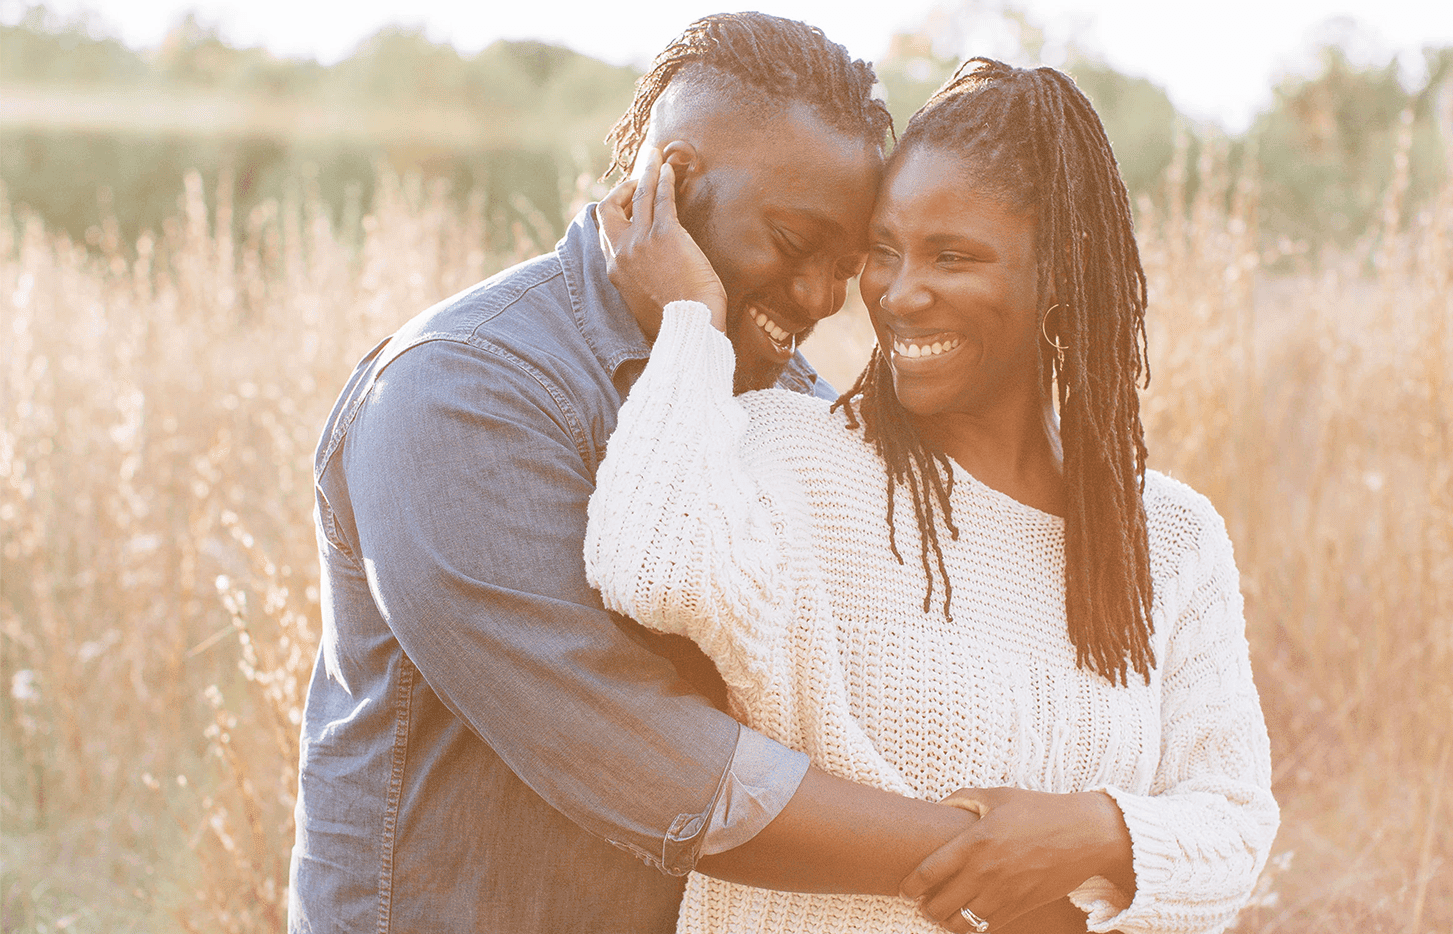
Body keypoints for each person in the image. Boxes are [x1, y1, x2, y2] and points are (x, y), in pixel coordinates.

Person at [289, 15, 1070, 934]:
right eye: (791, 241)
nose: (822, 298)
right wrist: (983, 867)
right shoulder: (463, 392)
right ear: (671, 182)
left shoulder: (787, 396)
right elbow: (631, 753)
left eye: (846, 263)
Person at [587, 58, 1280, 933]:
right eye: (884, 251)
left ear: (1059, 276)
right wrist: (691, 322)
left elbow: (1235, 823)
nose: (898, 294)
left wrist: (1100, 831)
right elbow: (650, 567)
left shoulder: (1171, 538)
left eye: (953, 257)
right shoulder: (797, 453)